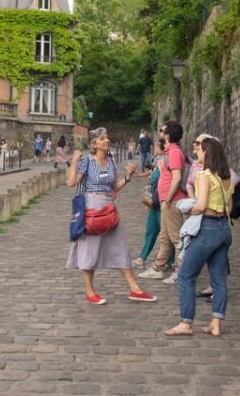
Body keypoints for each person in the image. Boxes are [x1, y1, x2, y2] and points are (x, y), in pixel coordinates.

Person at [67, 127, 157, 305]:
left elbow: (115, 187)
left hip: (109, 208)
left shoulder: (110, 161)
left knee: (121, 246)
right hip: (91, 208)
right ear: (94, 144)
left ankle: (135, 289)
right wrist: (75, 160)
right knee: (89, 248)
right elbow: (71, 182)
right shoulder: (86, 161)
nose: (106, 141)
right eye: (102, 139)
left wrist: (128, 177)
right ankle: (90, 291)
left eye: (107, 138)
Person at [165, 137, 234, 337]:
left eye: (200, 150)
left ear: (207, 153)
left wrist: (188, 208)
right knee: (218, 280)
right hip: (224, 229)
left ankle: (186, 323)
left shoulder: (204, 176)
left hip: (208, 228)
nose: (196, 153)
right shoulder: (227, 178)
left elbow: (201, 205)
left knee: (186, 275)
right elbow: (229, 207)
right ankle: (216, 324)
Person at [138, 121, 186, 280]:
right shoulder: (169, 152)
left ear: (168, 134)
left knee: (176, 238)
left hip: (171, 201)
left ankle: (181, 272)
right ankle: (158, 268)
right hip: (165, 200)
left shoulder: (175, 152)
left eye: (162, 130)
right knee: (165, 238)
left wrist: (168, 200)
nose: (159, 133)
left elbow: (177, 177)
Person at [132, 139, 165, 268]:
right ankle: (142, 257)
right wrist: (137, 174)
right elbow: (151, 174)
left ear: (161, 148)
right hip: (154, 202)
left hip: (161, 202)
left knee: (166, 234)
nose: (153, 148)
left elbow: (159, 179)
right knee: (151, 230)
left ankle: (170, 261)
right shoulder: (157, 160)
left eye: (156, 146)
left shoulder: (164, 161)